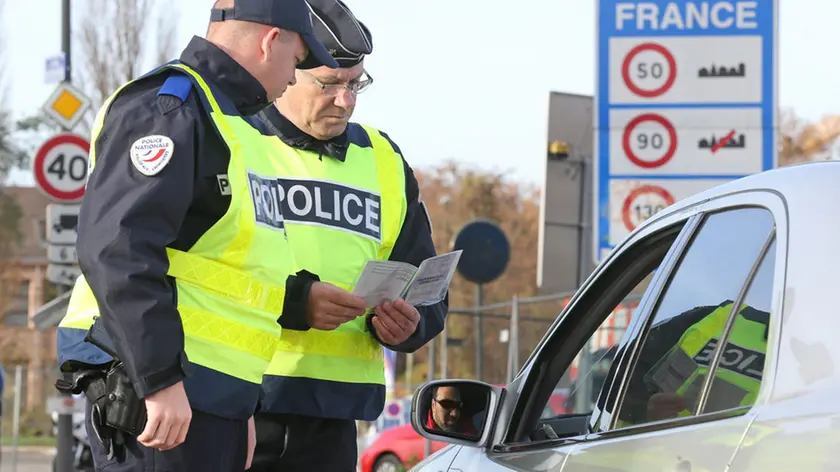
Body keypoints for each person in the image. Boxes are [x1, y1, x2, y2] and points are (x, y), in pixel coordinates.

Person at [54, 1, 340, 471]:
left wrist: (240, 404)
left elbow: (231, 272)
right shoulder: (171, 109)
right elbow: (118, 248)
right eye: (298, 58)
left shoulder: (236, 126)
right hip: (162, 399)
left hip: (213, 400)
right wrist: (159, 380)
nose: (294, 77)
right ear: (272, 40)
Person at [249, 1, 448, 470]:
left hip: (336, 417)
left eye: (356, 83)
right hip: (240, 402)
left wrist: (411, 323)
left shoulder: (381, 157)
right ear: (287, 67)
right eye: (330, 84)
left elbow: (426, 280)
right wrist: (296, 302)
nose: (347, 100)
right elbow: (199, 270)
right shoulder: (237, 142)